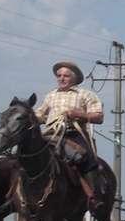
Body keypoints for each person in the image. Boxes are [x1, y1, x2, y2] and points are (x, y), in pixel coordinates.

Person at [34, 61, 104, 212]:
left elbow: (99, 117)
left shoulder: (85, 95)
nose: (61, 78)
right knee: (29, 153)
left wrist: (80, 114)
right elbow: (40, 115)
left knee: (84, 158)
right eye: (59, 75)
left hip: (73, 134)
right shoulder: (50, 96)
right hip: (50, 134)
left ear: (74, 78)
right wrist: (28, 117)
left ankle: (94, 196)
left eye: (65, 76)